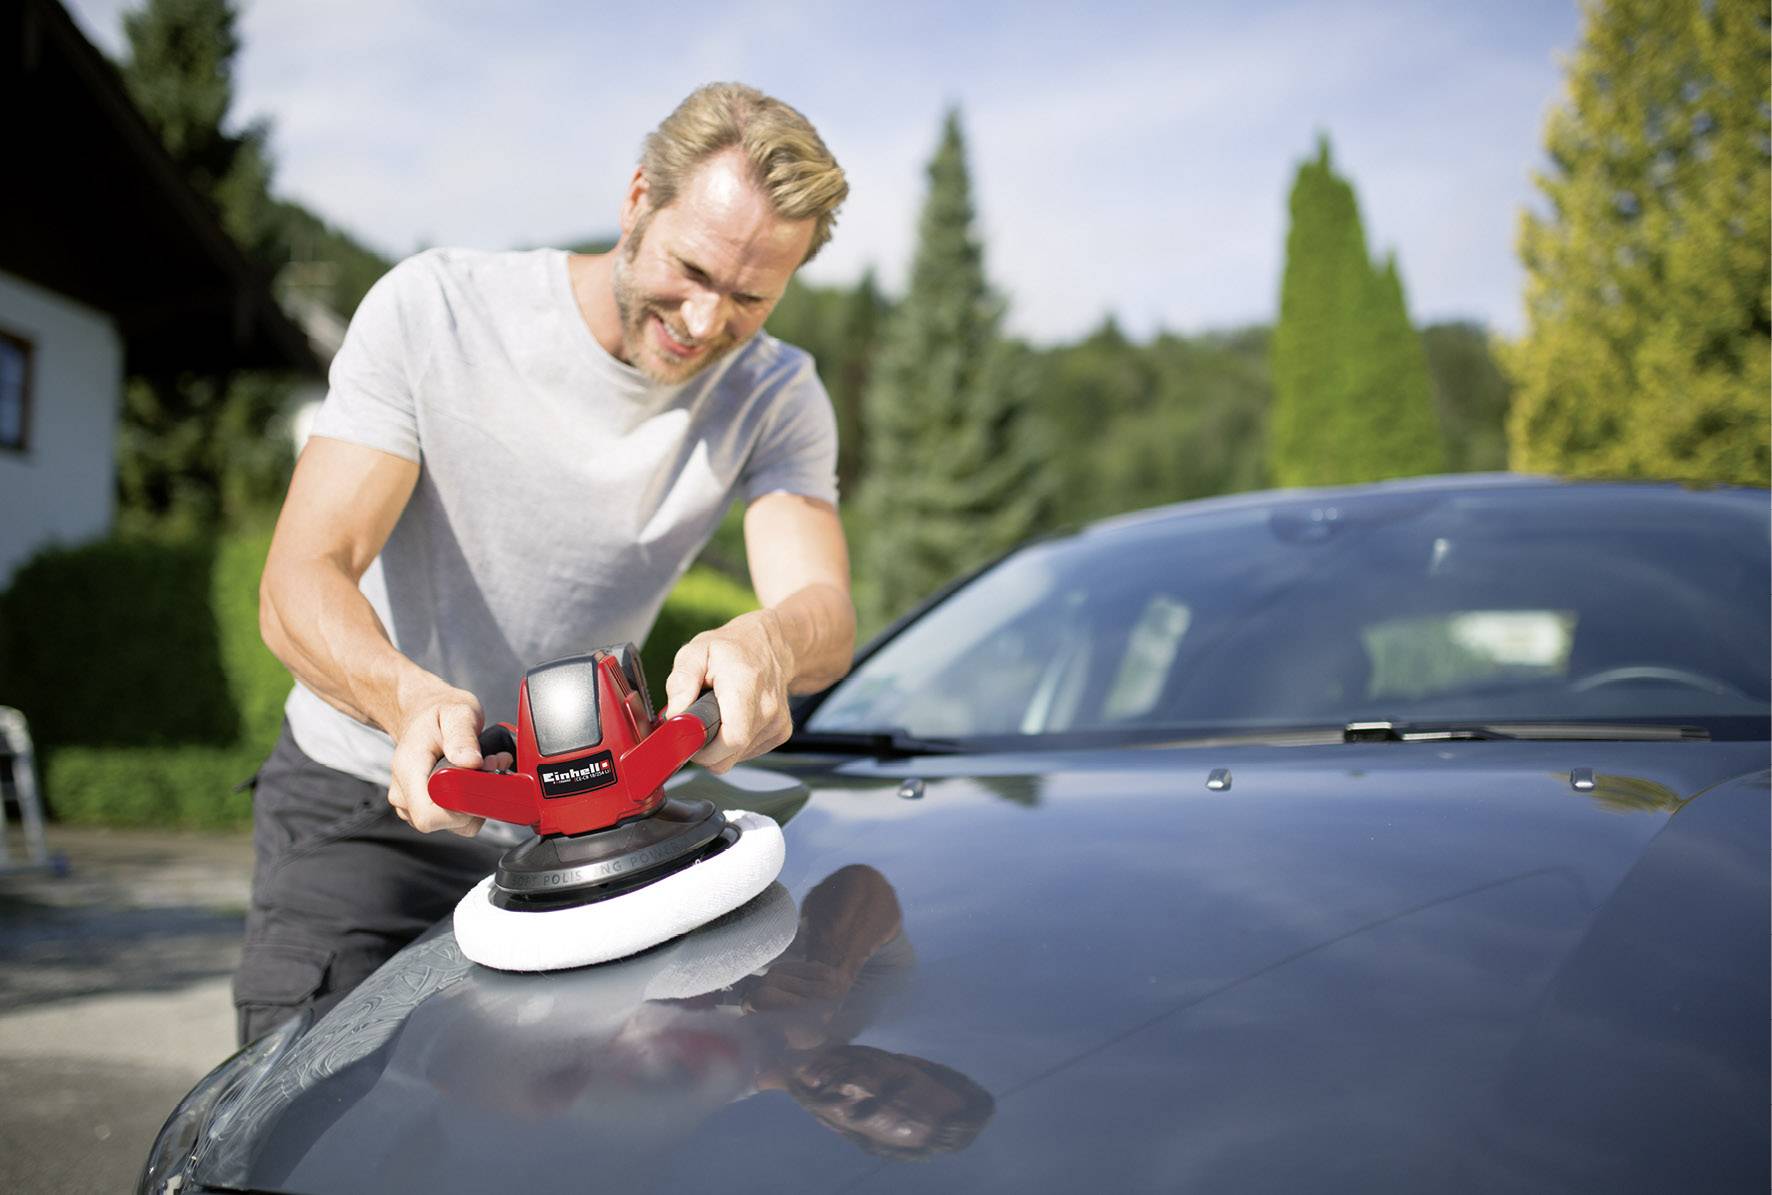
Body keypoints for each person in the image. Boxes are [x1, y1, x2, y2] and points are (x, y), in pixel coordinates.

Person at [234, 82, 856, 1044]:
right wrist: (403, 700)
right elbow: (301, 577)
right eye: (690, 269)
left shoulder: (778, 394)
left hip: (588, 833)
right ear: (638, 197)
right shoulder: (435, 310)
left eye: (748, 297)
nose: (701, 321)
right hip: (368, 803)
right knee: (314, 1128)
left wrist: (767, 640)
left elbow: (821, 607)